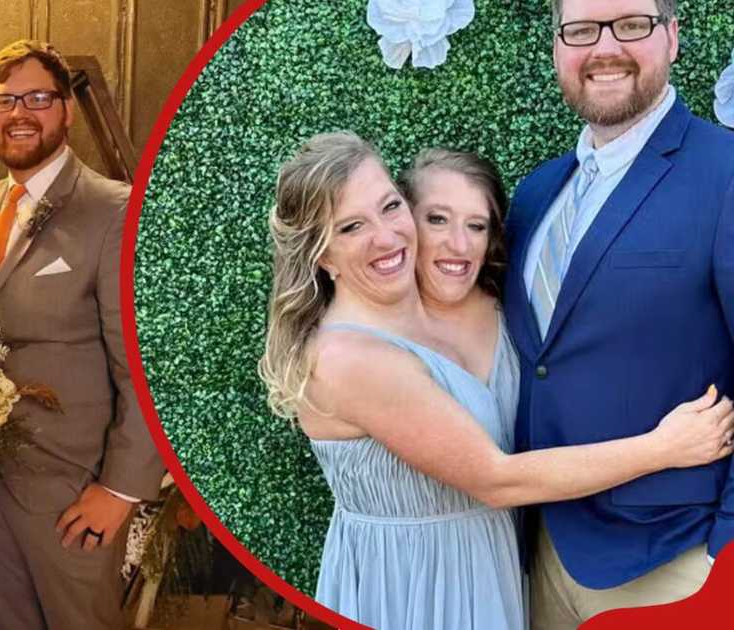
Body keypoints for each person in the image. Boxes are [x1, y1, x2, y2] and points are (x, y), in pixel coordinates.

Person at [258, 131, 734, 630]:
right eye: (352, 226)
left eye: (389, 207)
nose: (387, 235)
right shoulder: (349, 358)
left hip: (495, 562)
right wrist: (665, 447)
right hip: (410, 581)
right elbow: (495, 479)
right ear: (322, 255)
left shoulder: (485, 306)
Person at [502, 0, 734, 626]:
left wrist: (726, 559)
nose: (604, 48)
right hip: (537, 553)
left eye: (631, 24)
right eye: (580, 30)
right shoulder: (535, 194)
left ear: (673, 37)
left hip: (672, 560)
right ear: (557, 46)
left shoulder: (727, 173)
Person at [0, 39, 165, 630]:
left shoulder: (115, 211)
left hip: (73, 491)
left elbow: (145, 366)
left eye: (38, 97)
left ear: (67, 110)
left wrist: (119, 491)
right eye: (4, 100)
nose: (19, 113)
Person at [401, 148, 518, 433]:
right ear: (405, 223)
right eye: (438, 219)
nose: (460, 245)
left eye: (476, 226)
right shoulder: (375, 336)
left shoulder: (515, 306)